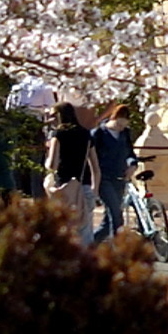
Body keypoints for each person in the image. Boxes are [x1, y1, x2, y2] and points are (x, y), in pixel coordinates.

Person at [45, 102, 97, 241]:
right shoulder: (86, 134)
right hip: (84, 186)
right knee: (86, 232)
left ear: (59, 115)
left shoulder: (58, 134)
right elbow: (96, 167)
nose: (49, 119)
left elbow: (52, 165)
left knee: (65, 231)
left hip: (64, 188)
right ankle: (88, 261)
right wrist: (94, 189)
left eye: (51, 115)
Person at [89, 101, 137, 243]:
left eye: (124, 126)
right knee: (116, 214)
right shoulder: (98, 134)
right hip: (103, 177)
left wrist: (132, 164)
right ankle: (118, 249)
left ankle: (89, 245)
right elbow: (92, 158)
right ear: (112, 119)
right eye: (119, 125)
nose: (121, 128)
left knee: (108, 221)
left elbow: (130, 153)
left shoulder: (125, 134)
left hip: (119, 177)